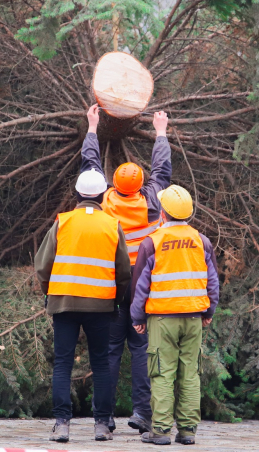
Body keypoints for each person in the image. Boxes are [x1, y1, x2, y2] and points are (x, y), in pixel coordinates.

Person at [81, 103, 171, 433]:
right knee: (142, 350)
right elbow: (162, 172)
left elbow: (90, 166)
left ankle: (103, 421)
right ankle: (143, 415)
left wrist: (92, 128)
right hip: (143, 288)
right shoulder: (153, 200)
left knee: (108, 353)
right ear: (141, 183)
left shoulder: (104, 202)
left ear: (114, 184)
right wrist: (160, 133)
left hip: (112, 286)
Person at [34, 168, 132, 443]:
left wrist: (49, 293)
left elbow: (42, 267)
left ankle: (62, 425)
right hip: (101, 306)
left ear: (77, 193)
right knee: (101, 363)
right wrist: (115, 298)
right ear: (102, 195)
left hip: (63, 303)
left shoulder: (62, 222)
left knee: (63, 363)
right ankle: (101, 425)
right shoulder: (112, 225)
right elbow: (124, 271)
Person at [130, 185, 220, 446]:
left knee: (162, 373)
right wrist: (208, 311)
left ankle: (160, 431)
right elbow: (212, 282)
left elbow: (140, 286)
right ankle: (188, 431)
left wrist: (137, 319)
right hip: (193, 318)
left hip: (162, 320)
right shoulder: (202, 241)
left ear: (163, 213)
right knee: (190, 374)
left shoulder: (152, 242)